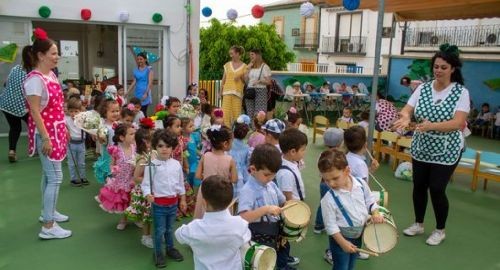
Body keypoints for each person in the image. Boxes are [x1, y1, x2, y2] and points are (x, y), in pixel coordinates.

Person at [393, 44, 470, 246]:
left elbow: (458, 123)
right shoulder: (423, 88)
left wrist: (431, 126)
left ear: (453, 69)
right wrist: (404, 117)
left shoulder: (461, 92)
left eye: (443, 67)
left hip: (447, 148)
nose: (438, 70)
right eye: (436, 66)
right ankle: (418, 223)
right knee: (419, 185)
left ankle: (440, 229)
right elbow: (407, 109)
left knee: (436, 188)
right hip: (422, 145)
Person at [23, 29, 71, 239]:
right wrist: (45, 138)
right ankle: (49, 227)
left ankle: (47, 213)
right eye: (53, 53)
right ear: (41, 55)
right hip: (47, 134)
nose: (57, 56)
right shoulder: (34, 80)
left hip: (56, 130)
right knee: (55, 177)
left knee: (48, 175)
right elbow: (34, 111)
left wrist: (65, 126)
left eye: (57, 52)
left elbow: (57, 106)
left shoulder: (50, 75)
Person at [318, 149, 384, 270]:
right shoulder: (328, 200)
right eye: (327, 180)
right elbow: (331, 226)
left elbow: (370, 200)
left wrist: (375, 213)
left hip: (359, 234)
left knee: (351, 264)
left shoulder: (361, 184)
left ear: (347, 170)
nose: (331, 184)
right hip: (340, 238)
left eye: (335, 178)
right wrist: (343, 243)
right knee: (341, 267)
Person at [175, 175, 251, 270]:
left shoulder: (194, 228)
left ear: (204, 202)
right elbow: (246, 238)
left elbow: (179, 234)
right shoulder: (240, 224)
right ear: (229, 201)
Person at [238, 144, 294, 270]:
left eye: (274, 175)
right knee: (260, 264)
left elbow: (283, 202)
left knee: (275, 259)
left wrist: (291, 206)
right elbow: (243, 217)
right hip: (258, 236)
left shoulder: (271, 185)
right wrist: (266, 209)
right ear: (253, 169)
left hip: (275, 233)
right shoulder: (247, 191)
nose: (271, 178)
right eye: (267, 174)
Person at [142, 129, 186, 268]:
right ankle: (158, 252)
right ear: (155, 146)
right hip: (158, 205)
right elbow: (146, 184)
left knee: (169, 229)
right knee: (159, 230)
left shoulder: (176, 164)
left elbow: (180, 184)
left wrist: (183, 199)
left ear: (173, 147)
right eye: (160, 146)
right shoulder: (152, 165)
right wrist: (147, 194)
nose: (164, 149)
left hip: (173, 204)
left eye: (167, 146)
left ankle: (170, 248)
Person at [313, 127, 344, 265]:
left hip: (322, 183)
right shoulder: (339, 158)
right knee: (332, 208)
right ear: (340, 143)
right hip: (332, 186)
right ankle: (328, 226)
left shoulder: (323, 155)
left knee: (323, 204)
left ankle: (318, 225)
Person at [95, 123, 136, 229]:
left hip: (132, 178)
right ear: (122, 137)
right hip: (121, 180)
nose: (134, 136)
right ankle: (123, 219)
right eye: (131, 134)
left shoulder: (135, 147)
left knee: (134, 199)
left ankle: (136, 217)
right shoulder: (116, 149)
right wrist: (114, 169)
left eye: (134, 133)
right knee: (124, 200)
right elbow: (112, 164)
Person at [194, 125, 238, 219]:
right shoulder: (230, 159)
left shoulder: (205, 156)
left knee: (204, 215)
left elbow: (197, 176)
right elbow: (234, 179)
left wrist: (206, 176)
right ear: (225, 143)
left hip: (206, 189)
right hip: (222, 190)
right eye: (232, 142)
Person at [125, 127, 154, 248]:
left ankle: (153, 234)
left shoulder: (150, 154)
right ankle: (146, 237)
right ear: (145, 142)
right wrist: (153, 180)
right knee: (147, 216)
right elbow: (136, 177)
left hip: (150, 189)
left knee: (151, 215)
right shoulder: (143, 158)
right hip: (144, 191)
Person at [0, 46, 30, 162]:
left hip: (6, 104)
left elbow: (5, 84)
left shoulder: (15, 68)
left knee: (15, 128)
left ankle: (12, 151)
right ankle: (37, 148)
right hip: (20, 106)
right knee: (35, 125)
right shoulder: (32, 73)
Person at [93, 98, 120, 184]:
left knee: (117, 171)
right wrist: (99, 136)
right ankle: (108, 190)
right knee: (108, 172)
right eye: (112, 111)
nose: (116, 113)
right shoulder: (103, 126)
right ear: (105, 112)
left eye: (117, 111)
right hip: (108, 154)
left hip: (118, 153)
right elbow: (101, 141)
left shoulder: (118, 124)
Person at [276, 128, 307, 201]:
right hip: (294, 206)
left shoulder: (292, 161)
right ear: (293, 152)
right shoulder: (286, 174)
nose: (305, 152)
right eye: (303, 150)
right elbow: (288, 196)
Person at [65, 97, 88, 187]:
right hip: (71, 144)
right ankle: (73, 179)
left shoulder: (83, 119)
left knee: (81, 162)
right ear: (68, 111)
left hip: (81, 143)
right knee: (72, 163)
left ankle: (83, 177)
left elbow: (89, 128)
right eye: (71, 111)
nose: (73, 114)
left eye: (76, 111)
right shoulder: (66, 120)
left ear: (80, 111)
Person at [221, 45, 247, 127]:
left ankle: (236, 134)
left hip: (238, 93)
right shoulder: (227, 65)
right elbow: (223, 79)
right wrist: (220, 91)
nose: (230, 55)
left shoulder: (245, 66)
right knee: (225, 114)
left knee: (237, 115)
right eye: (230, 54)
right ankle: (227, 133)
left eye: (232, 53)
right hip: (226, 92)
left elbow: (245, 81)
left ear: (238, 53)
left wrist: (240, 76)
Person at [244, 49, 271, 119]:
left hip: (261, 91)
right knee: (250, 112)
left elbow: (269, 82)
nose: (250, 56)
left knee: (259, 113)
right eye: (250, 55)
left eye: (252, 54)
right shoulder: (250, 67)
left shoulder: (264, 67)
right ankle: (252, 129)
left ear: (258, 55)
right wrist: (247, 69)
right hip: (250, 90)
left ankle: (258, 129)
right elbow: (245, 81)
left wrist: (260, 81)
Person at [229, 115, 251, 197]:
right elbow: (247, 162)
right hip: (243, 173)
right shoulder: (246, 147)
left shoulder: (229, 145)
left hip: (230, 171)